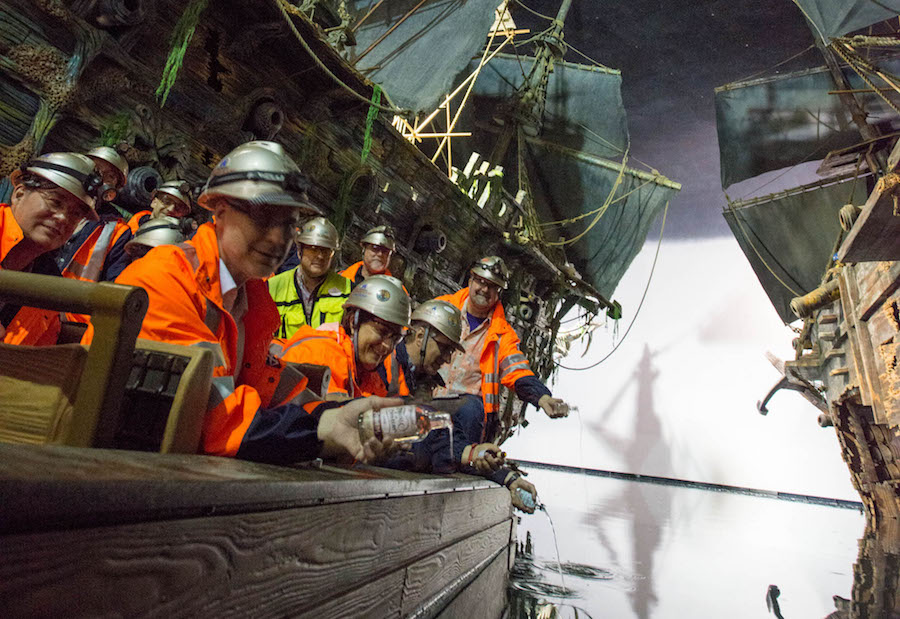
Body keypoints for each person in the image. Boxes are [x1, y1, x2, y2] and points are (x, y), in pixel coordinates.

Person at [87, 140, 395, 464]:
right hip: (111, 468)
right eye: (262, 217)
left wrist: (340, 415)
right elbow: (214, 418)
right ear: (219, 211)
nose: (279, 239)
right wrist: (321, 429)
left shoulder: (251, 298)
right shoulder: (165, 281)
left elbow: (268, 383)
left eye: (289, 224)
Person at [434, 256, 570, 445]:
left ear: (499, 292)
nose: (484, 289)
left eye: (492, 286)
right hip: (427, 398)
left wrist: (542, 397)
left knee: (470, 412)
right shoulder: (441, 308)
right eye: (480, 281)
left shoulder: (502, 335)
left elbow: (517, 370)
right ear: (470, 279)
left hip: (465, 412)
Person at [1, 152, 102, 345]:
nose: (63, 218)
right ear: (19, 193)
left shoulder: (50, 289)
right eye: (55, 202)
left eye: (75, 214)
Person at [273, 274, 410, 400]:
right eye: (381, 331)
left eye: (395, 338)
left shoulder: (368, 376)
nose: (387, 345)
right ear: (352, 321)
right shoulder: (320, 355)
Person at [55, 146, 131, 284]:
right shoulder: (54, 198)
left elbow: (112, 282)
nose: (100, 179)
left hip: (69, 300)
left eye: (110, 176)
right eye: (96, 169)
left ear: (116, 187)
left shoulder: (117, 230)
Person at [267, 217, 351, 338]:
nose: (320, 256)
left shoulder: (348, 290)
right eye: (313, 249)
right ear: (299, 251)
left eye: (326, 250)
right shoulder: (273, 288)